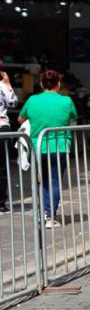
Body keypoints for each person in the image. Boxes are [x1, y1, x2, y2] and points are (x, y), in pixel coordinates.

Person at [18, 70, 77, 228]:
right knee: (55, 181)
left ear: (42, 84)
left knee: (41, 181)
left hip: (38, 147)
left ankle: (44, 213)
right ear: (58, 84)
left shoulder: (32, 100)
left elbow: (20, 118)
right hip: (60, 146)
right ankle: (51, 216)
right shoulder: (66, 101)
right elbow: (74, 117)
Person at [0, 64, 18, 213]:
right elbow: (12, 102)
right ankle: (0, 202)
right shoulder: (2, 85)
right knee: (1, 166)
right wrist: (8, 84)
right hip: (1, 125)